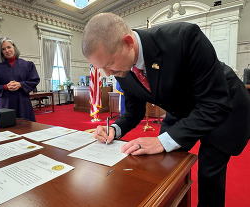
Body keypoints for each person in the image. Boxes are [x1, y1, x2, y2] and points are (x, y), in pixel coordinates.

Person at [82, 13, 250, 207]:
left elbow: (214, 104)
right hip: (180, 107)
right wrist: (115, 128)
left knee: (209, 171)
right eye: (100, 68)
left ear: (128, 42)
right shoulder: (119, 67)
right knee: (161, 162)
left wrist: (163, 141)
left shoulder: (185, 37)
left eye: (109, 65)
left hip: (223, 104)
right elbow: (133, 112)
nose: (107, 74)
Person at [0, 37, 40, 122]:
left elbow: (34, 80)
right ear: (0, 52)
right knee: (6, 127)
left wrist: (20, 84)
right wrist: (5, 87)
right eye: (3, 49)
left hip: (23, 100)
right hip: (5, 102)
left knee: (26, 127)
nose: (7, 50)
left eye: (9, 47)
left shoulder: (27, 65)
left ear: (14, 47)